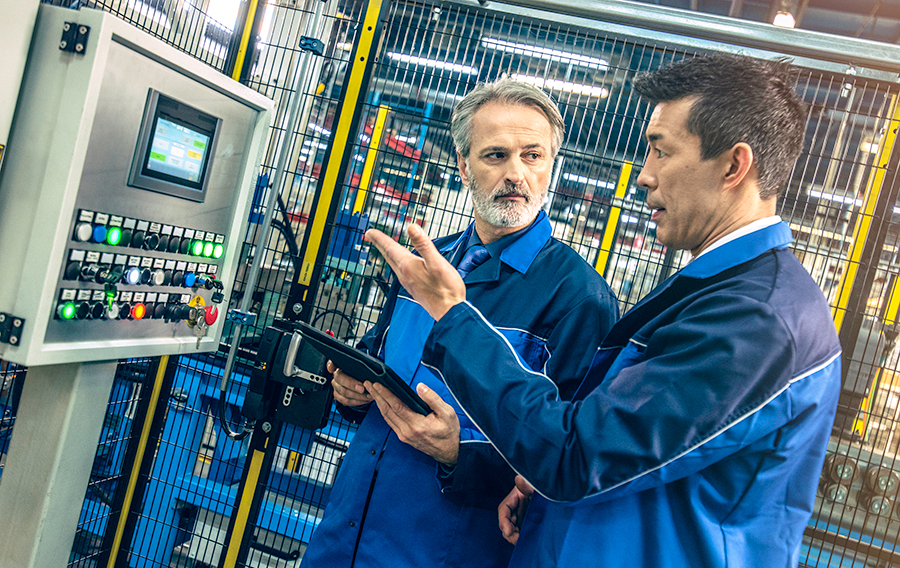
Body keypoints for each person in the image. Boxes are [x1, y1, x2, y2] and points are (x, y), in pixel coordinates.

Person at [364, 53, 842, 567]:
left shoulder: (757, 320)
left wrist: (454, 317)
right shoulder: (713, 294)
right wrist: (543, 493)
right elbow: (616, 450)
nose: (643, 176)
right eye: (495, 155)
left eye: (660, 152)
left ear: (733, 165)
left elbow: (574, 453)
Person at [301, 78, 619, 567]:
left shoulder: (579, 299)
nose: (517, 174)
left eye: (533, 156)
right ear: (463, 166)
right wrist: (348, 385)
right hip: (346, 535)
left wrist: (458, 455)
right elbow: (379, 355)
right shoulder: (425, 264)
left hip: (445, 549)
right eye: (495, 155)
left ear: (551, 164)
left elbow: (566, 462)